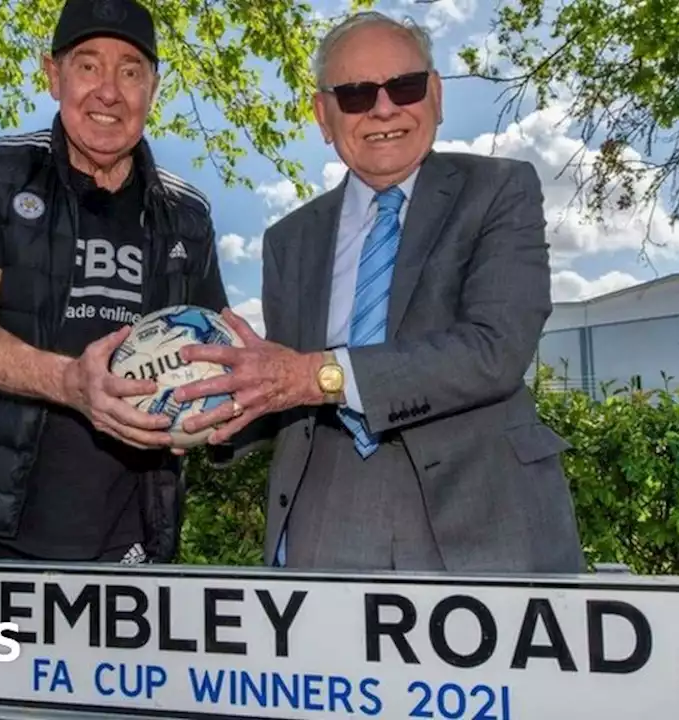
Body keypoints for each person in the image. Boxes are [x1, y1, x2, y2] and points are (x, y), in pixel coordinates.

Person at [173, 11, 585, 574]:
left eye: (405, 86)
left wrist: (315, 376)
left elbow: (495, 350)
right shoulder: (287, 239)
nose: (384, 108)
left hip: (482, 518)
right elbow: (286, 385)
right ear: (324, 115)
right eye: (356, 94)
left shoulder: (501, 191)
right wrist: (218, 410)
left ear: (435, 95)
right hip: (325, 516)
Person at [0, 0, 228, 566]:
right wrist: (72, 383)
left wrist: (221, 410)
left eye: (131, 71)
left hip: (127, 543)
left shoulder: (187, 215)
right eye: (88, 66)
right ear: (53, 76)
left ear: (154, 87)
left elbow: (215, 351)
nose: (109, 91)